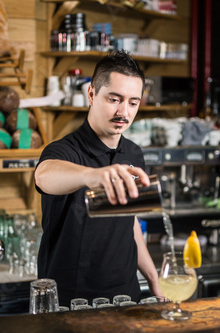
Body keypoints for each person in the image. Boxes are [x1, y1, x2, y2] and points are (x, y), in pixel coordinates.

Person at [34, 50, 163, 306]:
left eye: (133, 102)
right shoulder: (63, 150)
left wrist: (153, 278)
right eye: (114, 99)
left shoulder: (134, 153)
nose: (123, 112)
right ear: (91, 94)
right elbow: (44, 175)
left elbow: (130, 221)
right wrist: (93, 176)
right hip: (71, 299)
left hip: (125, 295)